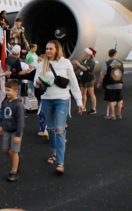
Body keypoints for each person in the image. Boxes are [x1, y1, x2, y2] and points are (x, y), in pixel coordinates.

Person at [34, 40, 83, 173]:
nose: (48, 51)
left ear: (57, 50)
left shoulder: (65, 63)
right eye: (47, 49)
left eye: (51, 49)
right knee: (50, 128)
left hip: (62, 99)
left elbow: (73, 82)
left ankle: (60, 162)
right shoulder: (41, 64)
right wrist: (38, 82)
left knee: (59, 129)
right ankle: (53, 152)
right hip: (46, 99)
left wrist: (79, 101)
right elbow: (35, 82)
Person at [0, 79, 25, 182]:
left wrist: (18, 135)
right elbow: (5, 116)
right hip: (7, 130)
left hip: (15, 131)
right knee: (5, 150)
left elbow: (21, 121)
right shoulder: (6, 102)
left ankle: (14, 171)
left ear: (16, 91)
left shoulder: (18, 105)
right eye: (6, 90)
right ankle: (17, 159)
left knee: (14, 152)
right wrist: (2, 126)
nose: (7, 92)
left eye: (9, 90)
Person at [97, 49, 124, 120]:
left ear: (109, 55)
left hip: (110, 84)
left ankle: (112, 114)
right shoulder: (120, 63)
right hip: (119, 83)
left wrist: (99, 82)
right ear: (116, 54)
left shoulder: (107, 63)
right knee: (118, 100)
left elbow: (103, 74)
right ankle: (119, 114)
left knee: (110, 100)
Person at [72, 47, 97, 114]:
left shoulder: (91, 61)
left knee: (91, 93)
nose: (84, 53)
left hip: (89, 78)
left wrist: (78, 64)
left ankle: (93, 108)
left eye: (85, 52)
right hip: (83, 78)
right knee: (83, 93)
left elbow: (85, 69)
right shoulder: (84, 60)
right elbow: (80, 66)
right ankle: (83, 107)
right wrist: (76, 64)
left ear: (88, 54)